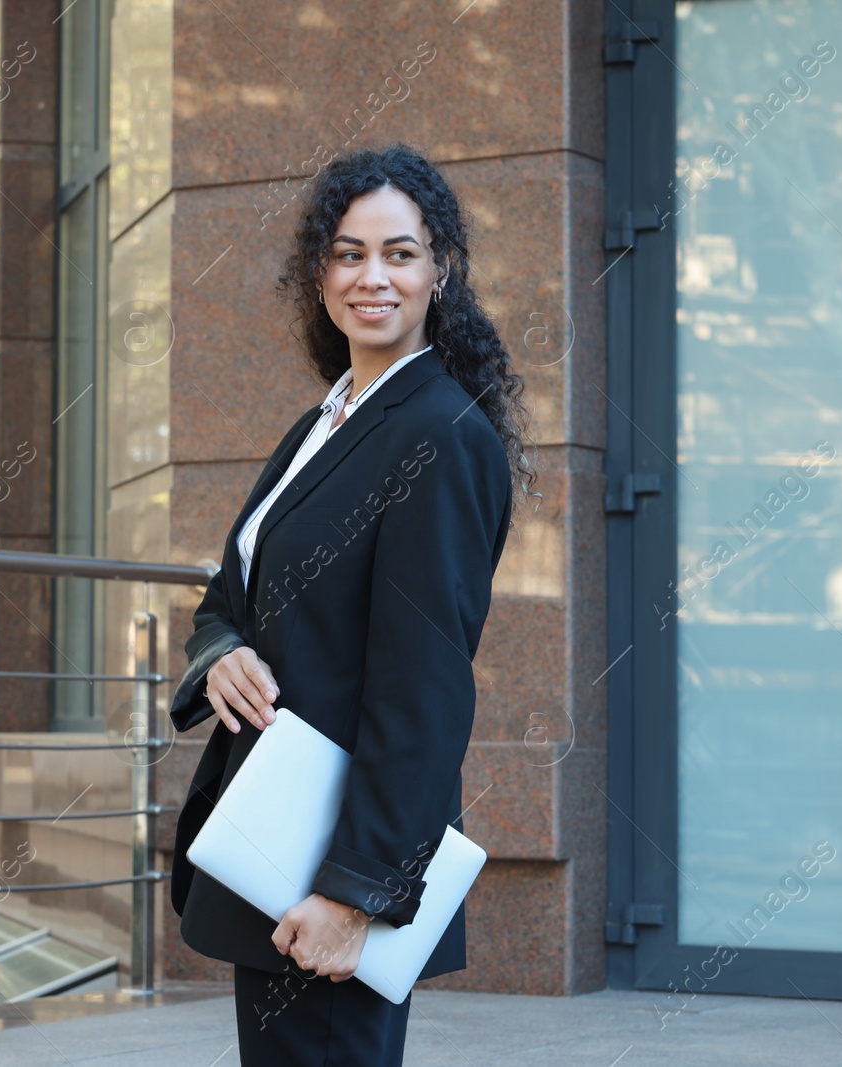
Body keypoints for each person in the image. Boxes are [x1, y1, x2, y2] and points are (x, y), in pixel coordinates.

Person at [167, 142, 541, 1067]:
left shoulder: (439, 434)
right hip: (277, 838)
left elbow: (425, 691)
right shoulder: (325, 419)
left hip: (335, 870)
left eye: (400, 253)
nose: (372, 276)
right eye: (348, 252)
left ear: (440, 269)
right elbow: (230, 590)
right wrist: (223, 654)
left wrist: (356, 894)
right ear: (319, 273)